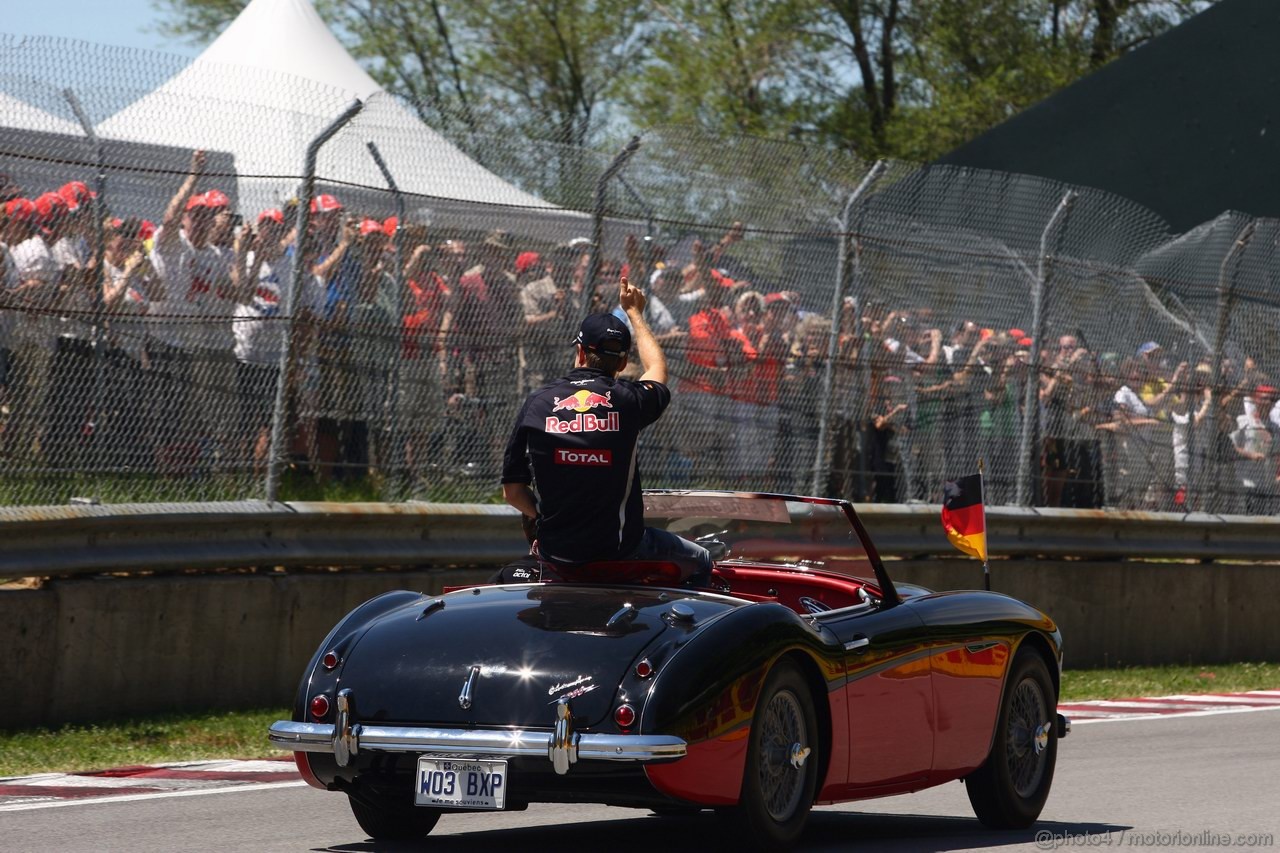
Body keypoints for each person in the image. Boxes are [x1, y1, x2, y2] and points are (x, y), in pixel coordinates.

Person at [501, 274, 711, 582]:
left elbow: (512, 491)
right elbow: (657, 370)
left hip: (556, 554)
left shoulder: (538, 402)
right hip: (622, 552)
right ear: (623, 363)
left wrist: (542, 516)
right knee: (701, 559)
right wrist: (635, 313)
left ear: (581, 352)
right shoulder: (629, 401)